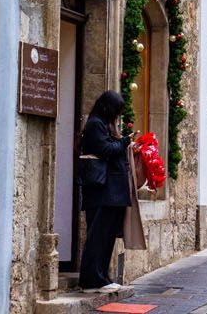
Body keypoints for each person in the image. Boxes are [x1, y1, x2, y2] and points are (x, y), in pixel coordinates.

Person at [77, 90, 132, 294]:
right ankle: (91, 279)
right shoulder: (95, 124)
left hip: (110, 193)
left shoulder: (102, 124)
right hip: (102, 192)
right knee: (98, 236)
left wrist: (122, 142)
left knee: (106, 236)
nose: (117, 116)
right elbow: (105, 149)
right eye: (116, 111)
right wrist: (124, 142)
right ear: (108, 108)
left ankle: (100, 277)